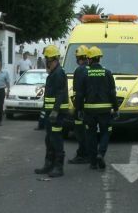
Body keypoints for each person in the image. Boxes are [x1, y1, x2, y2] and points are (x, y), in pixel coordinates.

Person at [76, 46, 118, 170]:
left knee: (91, 135)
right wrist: (116, 109)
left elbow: (79, 94)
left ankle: (93, 162)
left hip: (89, 111)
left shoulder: (84, 73)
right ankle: (101, 153)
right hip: (105, 111)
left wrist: (79, 110)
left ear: (89, 60)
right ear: (99, 58)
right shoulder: (107, 73)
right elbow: (112, 93)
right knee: (106, 132)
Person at [34, 45, 69, 178]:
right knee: (49, 138)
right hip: (51, 112)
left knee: (56, 139)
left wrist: (55, 111)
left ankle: (59, 167)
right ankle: (49, 165)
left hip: (57, 113)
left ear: (52, 59)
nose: (45, 62)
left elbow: (61, 93)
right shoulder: (54, 73)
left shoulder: (59, 73)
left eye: (47, 59)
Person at [69, 45, 91, 165]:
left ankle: (82, 155)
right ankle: (86, 154)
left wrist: (77, 109)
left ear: (79, 58)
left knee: (79, 132)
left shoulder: (80, 70)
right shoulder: (91, 69)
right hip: (90, 107)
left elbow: (78, 92)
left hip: (81, 107)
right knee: (87, 132)